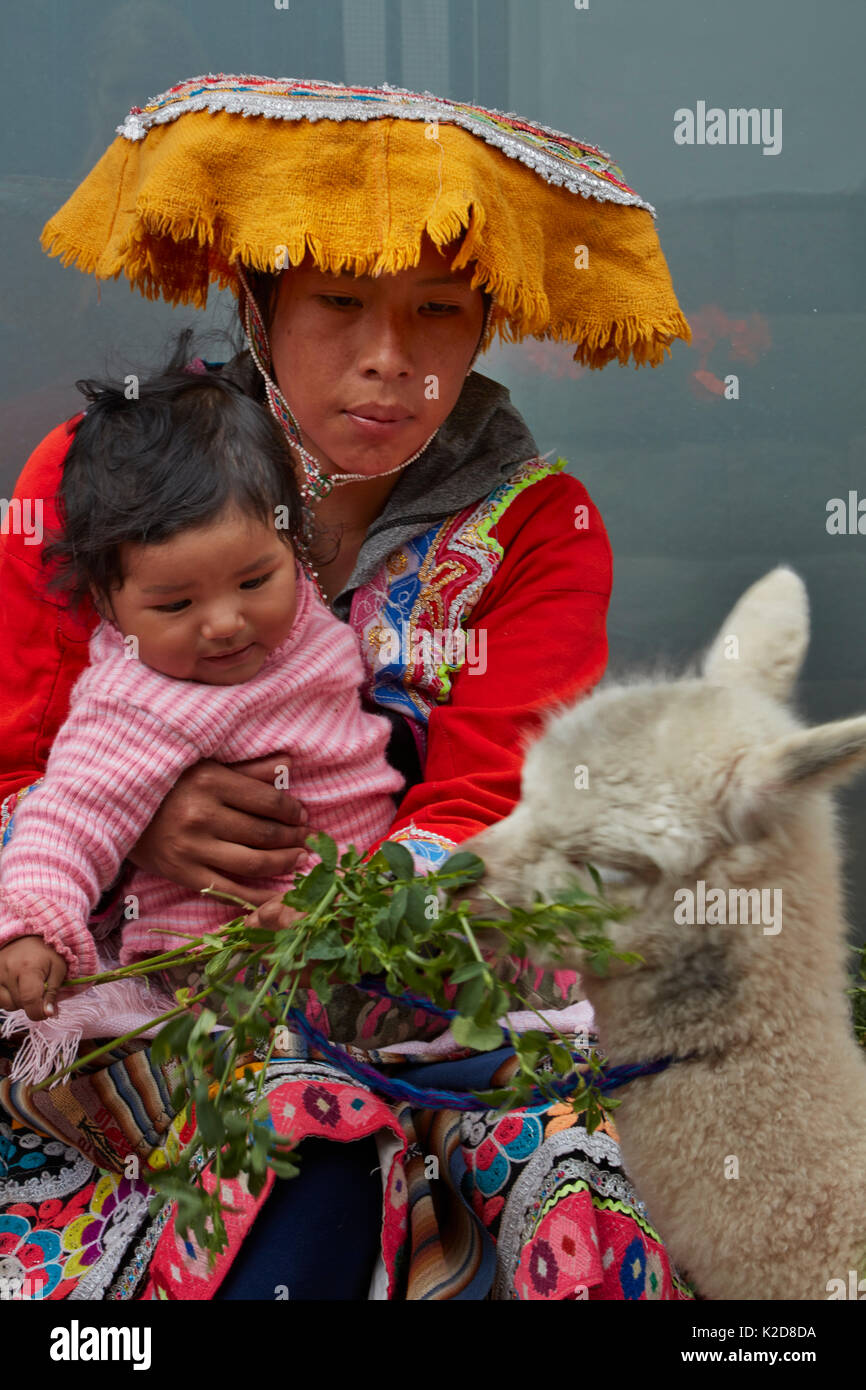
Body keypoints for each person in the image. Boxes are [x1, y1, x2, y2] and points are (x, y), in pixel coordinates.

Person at [0, 75, 692, 1301]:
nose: (389, 362)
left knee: (579, 1202)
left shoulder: (537, 528)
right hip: (120, 982)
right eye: (336, 301)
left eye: (438, 309)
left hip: (420, 989)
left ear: (485, 323)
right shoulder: (87, 483)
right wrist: (137, 815)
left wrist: (337, 919)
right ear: (254, 302)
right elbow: (15, 760)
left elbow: (494, 803)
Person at [0, 351, 404, 1078]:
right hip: (220, 964)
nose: (224, 623)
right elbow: (67, 818)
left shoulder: (303, 615)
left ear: (294, 545)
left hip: (357, 930)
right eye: (175, 604)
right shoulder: (141, 699)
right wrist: (30, 929)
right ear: (109, 603)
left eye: (255, 579)